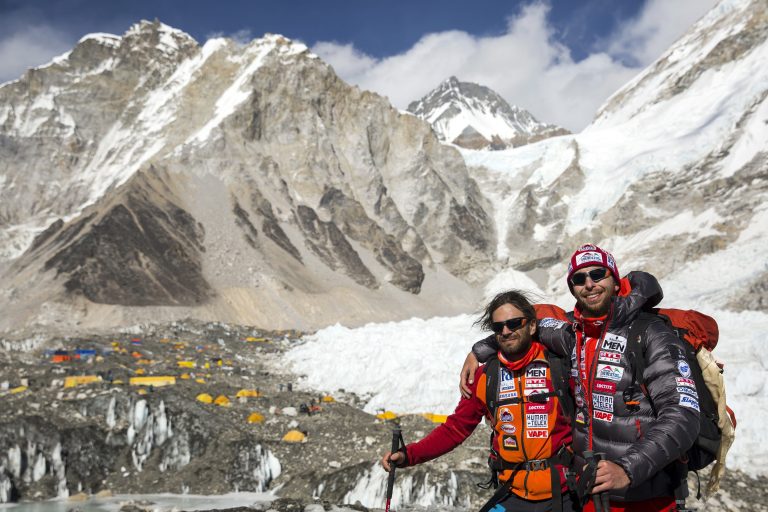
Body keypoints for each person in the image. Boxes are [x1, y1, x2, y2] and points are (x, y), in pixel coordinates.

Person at [460, 244, 700, 512]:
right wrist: (479, 350)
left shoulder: (650, 333)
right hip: (588, 494)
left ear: (615, 280)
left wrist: (627, 469)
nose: (589, 284)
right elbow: (520, 328)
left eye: (598, 274)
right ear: (572, 287)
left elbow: (683, 413)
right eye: (579, 278)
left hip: (646, 496)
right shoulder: (572, 335)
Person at [382, 290, 577, 512]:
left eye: (514, 323)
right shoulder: (484, 377)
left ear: (532, 326)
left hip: (563, 495)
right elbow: (455, 429)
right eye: (498, 327)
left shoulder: (561, 369)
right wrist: (409, 455)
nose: (506, 331)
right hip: (511, 492)